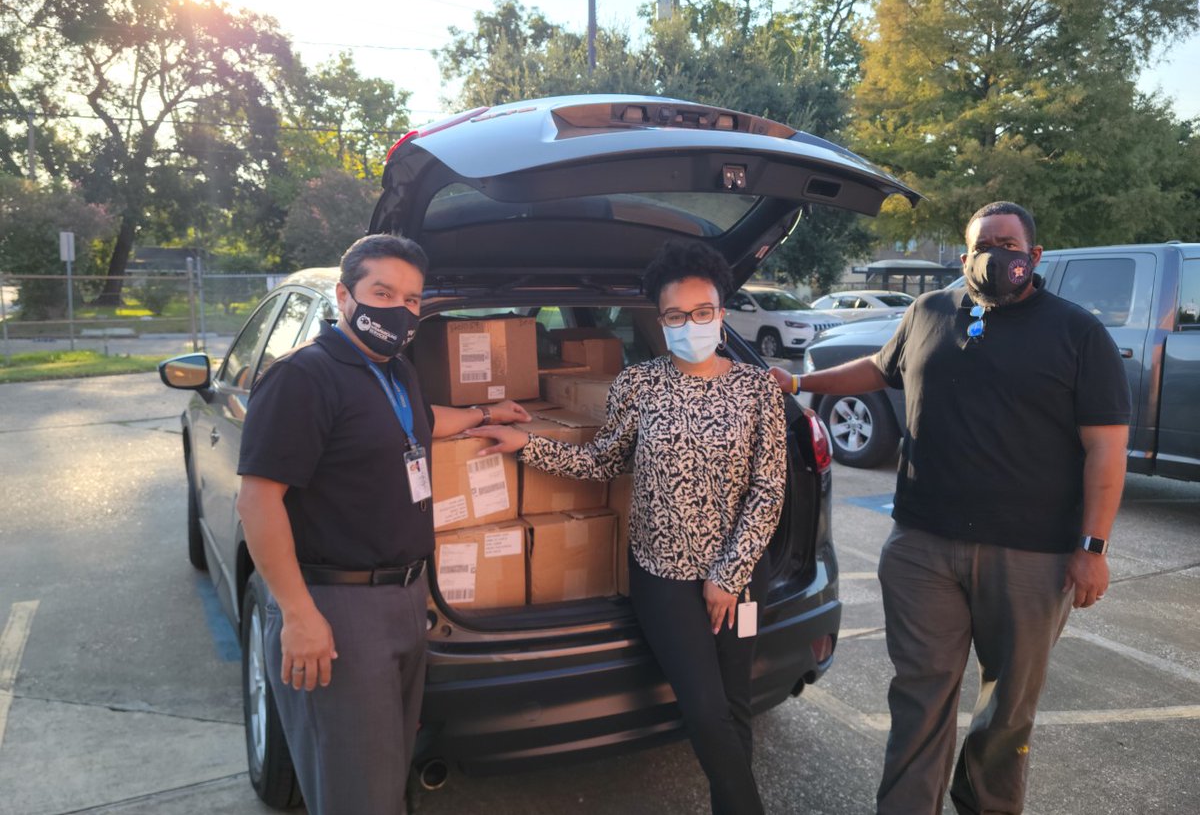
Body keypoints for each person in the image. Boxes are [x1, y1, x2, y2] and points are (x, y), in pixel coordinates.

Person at [776, 202, 1130, 815]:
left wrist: (1092, 549)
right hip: (922, 547)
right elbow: (880, 369)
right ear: (964, 256)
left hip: (1031, 556)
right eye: (982, 244)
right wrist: (802, 383)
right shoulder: (929, 310)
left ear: (1034, 256)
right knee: (919, 698)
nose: (995, 253)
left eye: (1008, 243)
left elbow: (1106, 449)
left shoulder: (1078, 333)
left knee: (1008, 709)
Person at [468, 239, 787, 815]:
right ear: (659, 320)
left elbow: (769, 492)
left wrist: (729, 575)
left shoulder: (759, 388)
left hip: (738, 578)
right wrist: (527, 445)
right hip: (662, 577)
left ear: (721, 310)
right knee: (707, 710)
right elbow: (605, 461)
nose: (690, 324)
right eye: (674, 315)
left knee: (736, 705)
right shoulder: (638, 385)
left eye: (702, 312)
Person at [236, 234, 530, 815]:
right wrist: (297, 615)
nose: (399, 309)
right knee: (355, 792)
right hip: (336, 608)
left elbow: (419, 424)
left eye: (413, 300)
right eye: (383, 292)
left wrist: (487, 414)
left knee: (387, 775)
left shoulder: (396, 372)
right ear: (345, 297)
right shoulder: (304, 377)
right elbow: (258, 501)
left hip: (405, 598)